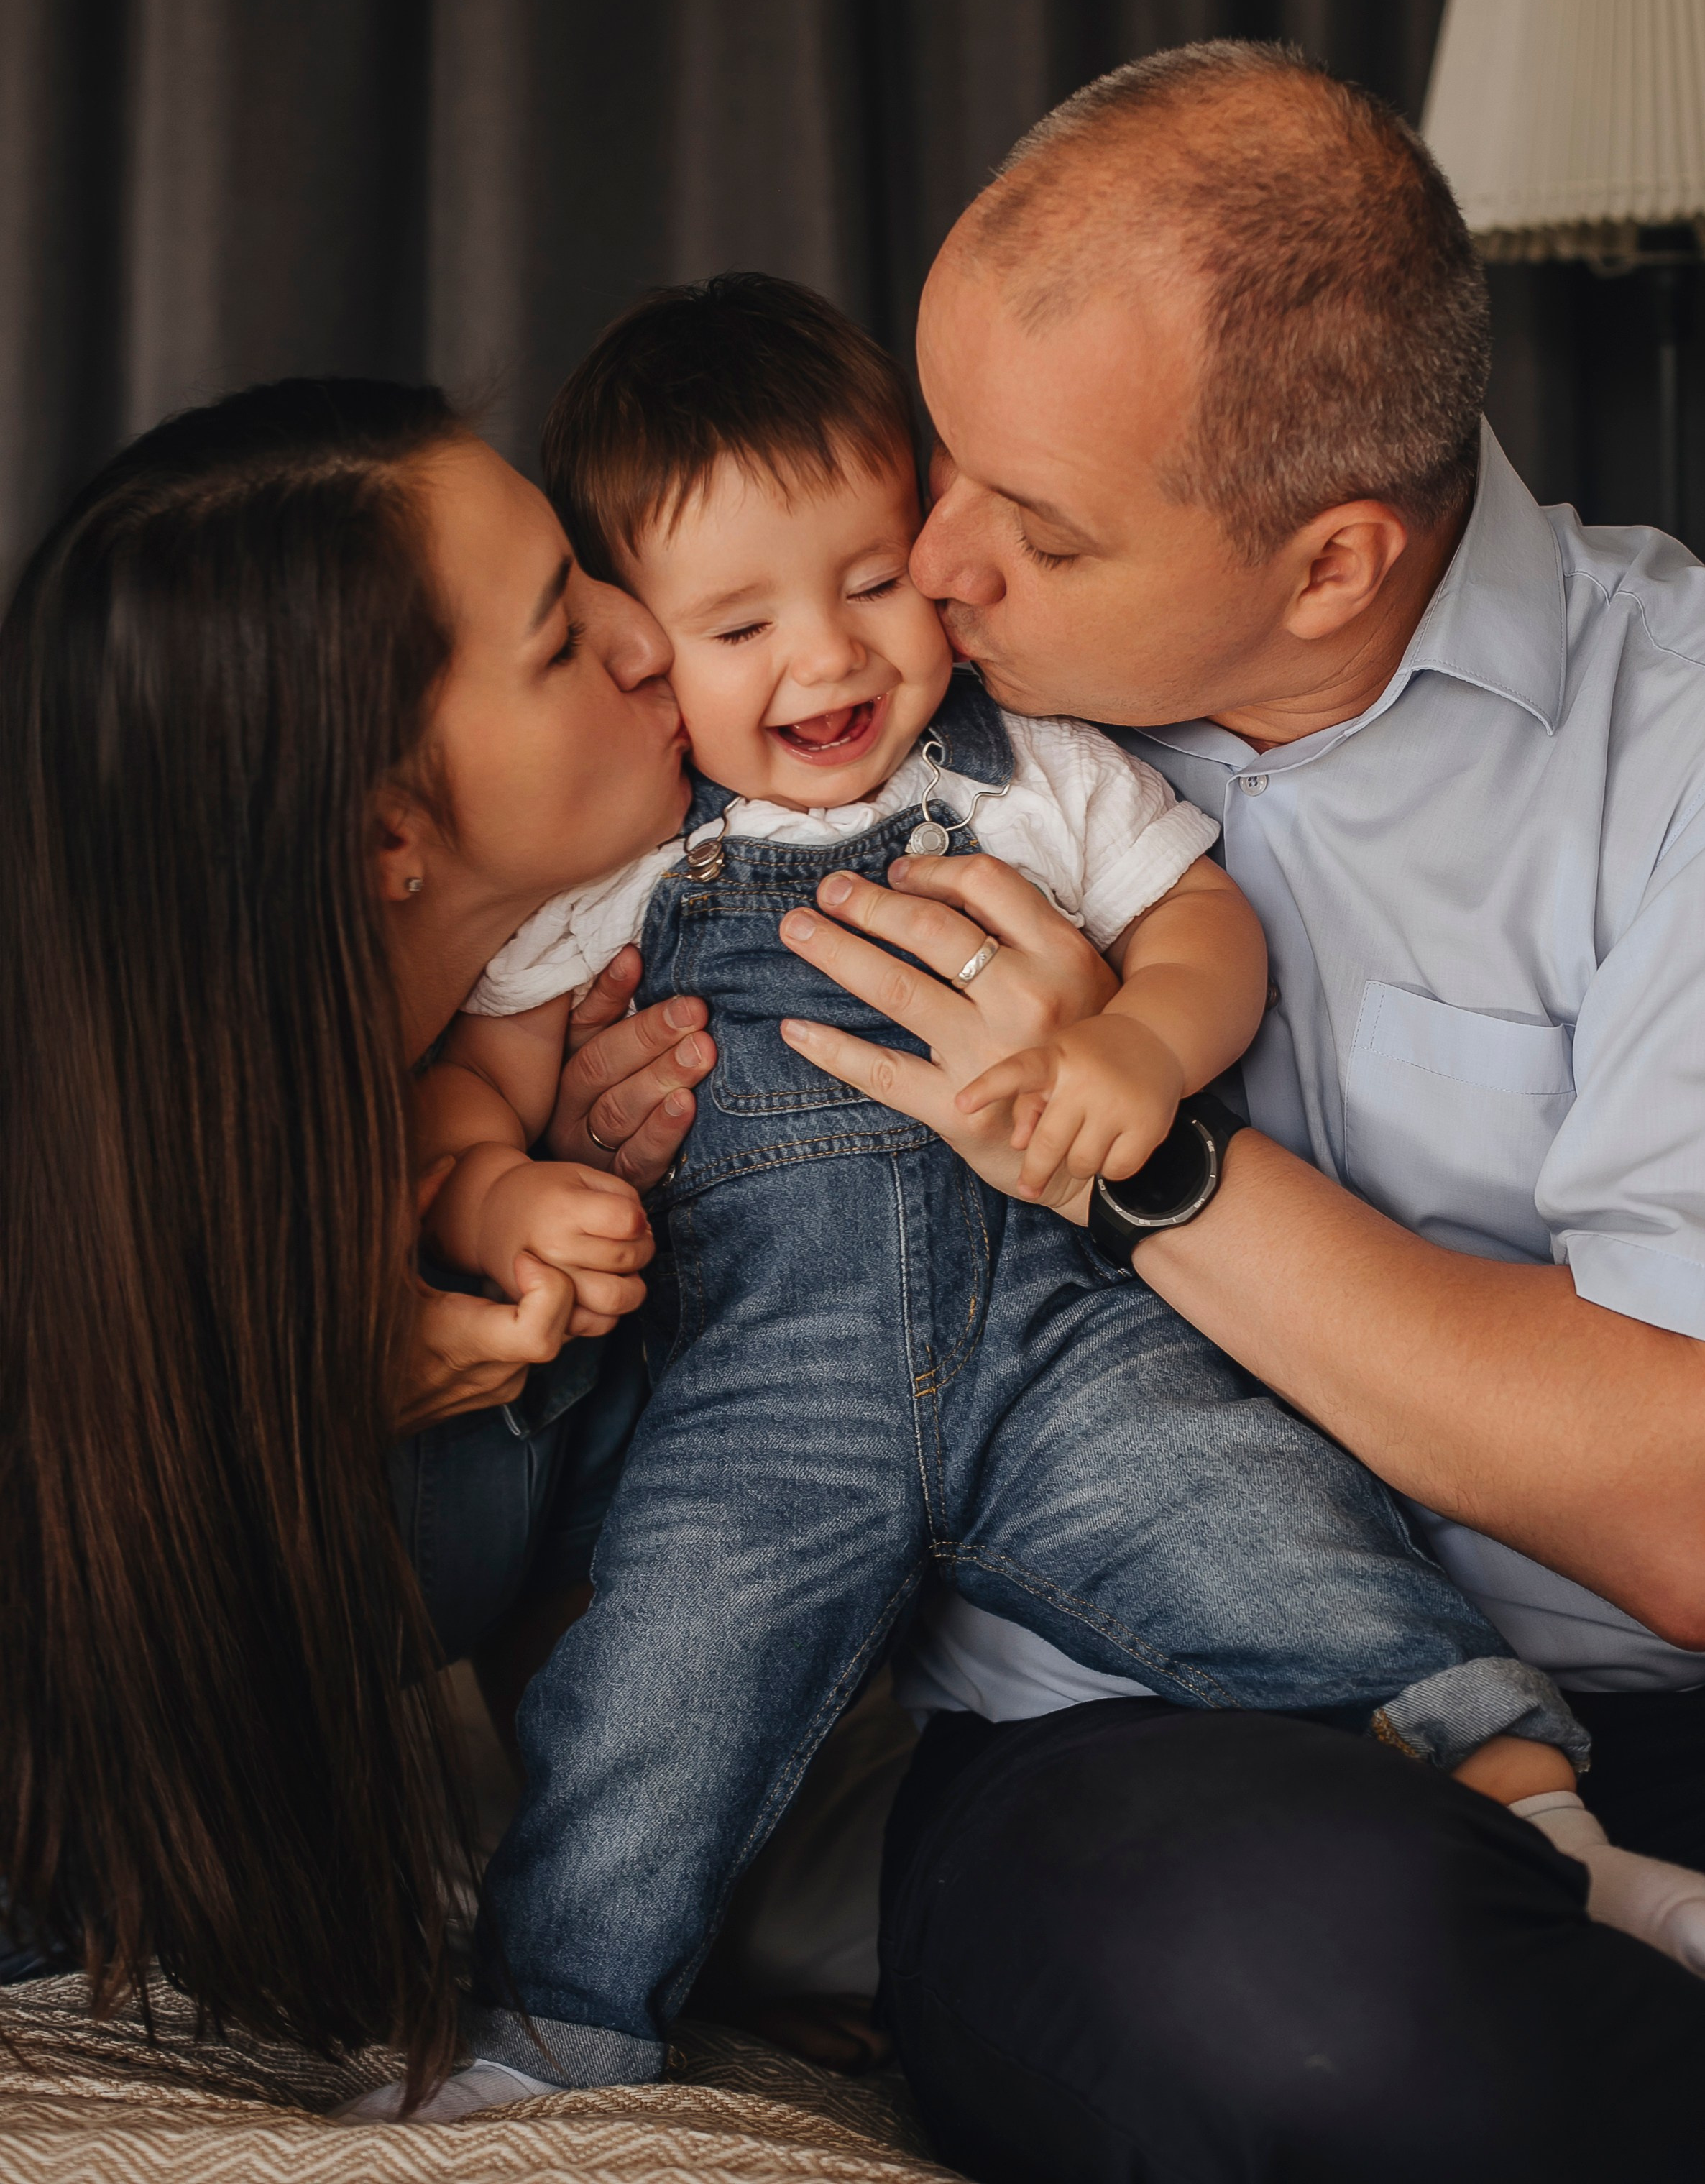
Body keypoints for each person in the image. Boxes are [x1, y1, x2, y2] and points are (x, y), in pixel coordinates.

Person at [349, 273, 1683, 2130]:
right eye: (738, 624)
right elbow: (468, 1098)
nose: (825, 660)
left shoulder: (1028, 775)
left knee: (1292, 1554)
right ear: (650, 652)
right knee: (657, 1692)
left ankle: (1557, 1832)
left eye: (872, 579)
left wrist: (1136, 1060)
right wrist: (503, 1197)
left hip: (1065, 1345)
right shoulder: (646, 846)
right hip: (772, 1385)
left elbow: (1198, 929)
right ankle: (558, 2024)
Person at [773, 42, 1705, 2178]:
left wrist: (1143, 1145)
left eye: (1038, 528)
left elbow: (1671, 1513)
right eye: (942, 460)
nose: (924, 566)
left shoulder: (1661, 763)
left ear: (1328, 563)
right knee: (1338, 2046)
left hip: (1643, 1724)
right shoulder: (880, 739)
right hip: (1140, 1732)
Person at [0, 377, 706, 2103]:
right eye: (560, 637)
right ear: (392, 830)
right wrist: (288, 1427)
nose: (648, 630)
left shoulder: (588, 1021)